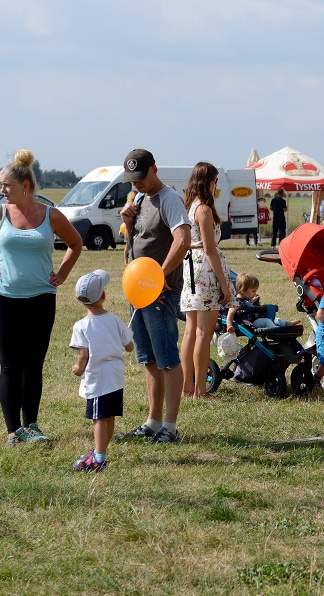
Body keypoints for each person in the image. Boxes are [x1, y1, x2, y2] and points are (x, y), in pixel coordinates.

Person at [0, 149, 83, 444]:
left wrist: (63, 274)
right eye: (1, 185)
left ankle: (32, 426)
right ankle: (13, 431)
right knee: (10, 364)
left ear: (25, 186)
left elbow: (75, 243)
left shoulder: (50, 214)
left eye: (6, 186)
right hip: (4, 298)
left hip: (41, 298)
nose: (1, 191)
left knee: (33, 363)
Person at [118, 149, 191, 444]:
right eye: (132, 180)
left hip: (159, 293)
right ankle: (153, 421)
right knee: (148, 358)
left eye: (141, 178)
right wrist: (127, 223)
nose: (137, 184)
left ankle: (170, 427)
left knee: (168, 360)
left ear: (154, 169)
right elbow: (138, 243)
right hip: (139, 292)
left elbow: (183, 239)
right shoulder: (139, 199)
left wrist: (158, 278)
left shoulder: (169, 200)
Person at [179, 162, 237, 399]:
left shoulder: (190, 206)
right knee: (204, 331)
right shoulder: (203, 209)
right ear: (207, 181)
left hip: (191, 268)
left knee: (190, 331)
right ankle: (200, 390)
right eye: (215, 180)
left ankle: (186, 387)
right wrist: (225, 285)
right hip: (205, 270)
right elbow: (210, 248)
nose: (216, 185)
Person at [70, 270, 135, 471]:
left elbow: (83, 355)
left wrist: (78, 369)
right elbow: (130, 346)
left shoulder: (81, 326)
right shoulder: (114, 319)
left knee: (99, 418)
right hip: (115, 377)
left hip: (98, 379)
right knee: (109, 416)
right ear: (104, 296)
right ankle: (101, 450)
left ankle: (99, 457)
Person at [226, 273, 300, 332]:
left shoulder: (247, 300)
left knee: (273, 318)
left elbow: (247, 304)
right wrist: (229, 326)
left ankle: (287, 324)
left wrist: (251, 302)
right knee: (266, 321)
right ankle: (277, 331)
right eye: (253, 291)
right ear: (243, 290)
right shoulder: (236, 302)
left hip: (256, 319)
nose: (255, 293)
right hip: (249, 323)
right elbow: (230, 314)